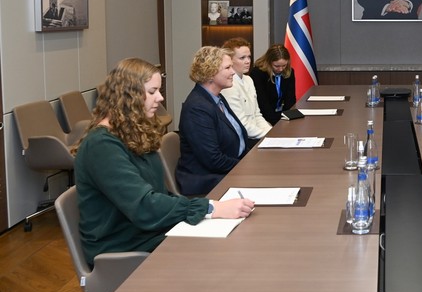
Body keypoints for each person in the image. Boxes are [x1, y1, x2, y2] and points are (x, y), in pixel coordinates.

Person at [73, 58, 254, 266]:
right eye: (152, 91)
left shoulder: (131, 133)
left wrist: (205, 209)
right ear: (128, 95)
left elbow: (157, 195)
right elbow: (144, 207)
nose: (160, 98)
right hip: (123, 248)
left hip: (149, 234)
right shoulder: (101, 145)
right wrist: (210, 208)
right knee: (223, 256)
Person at [177, 46, 252, 195]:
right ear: (210, 73)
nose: (233, 72)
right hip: (206, 180)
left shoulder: (217, 98)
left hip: (228, 171)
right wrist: (247, 167)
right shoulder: (197, 108)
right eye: (228, 68)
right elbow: (213, 160)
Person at [220, 37, 273, 139]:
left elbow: (257, 115)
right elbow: (241, 123)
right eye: (242, 58)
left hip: (256, 135)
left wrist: (271, 132)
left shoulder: (248, 80)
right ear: (230, 60)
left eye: (249, 57)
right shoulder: (228, 85)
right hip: (242, 138)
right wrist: (268, 136)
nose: (248, 61)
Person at [249, 43, 296, 125]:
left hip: (282, 116)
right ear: (269, 62)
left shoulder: (289, 72)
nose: (281, 69)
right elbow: (262, 102)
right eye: (276, 66)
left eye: (284, 65)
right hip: (264, 117)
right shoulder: (258, 73)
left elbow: (290, 98)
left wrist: (288, 117)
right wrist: (277, 122)